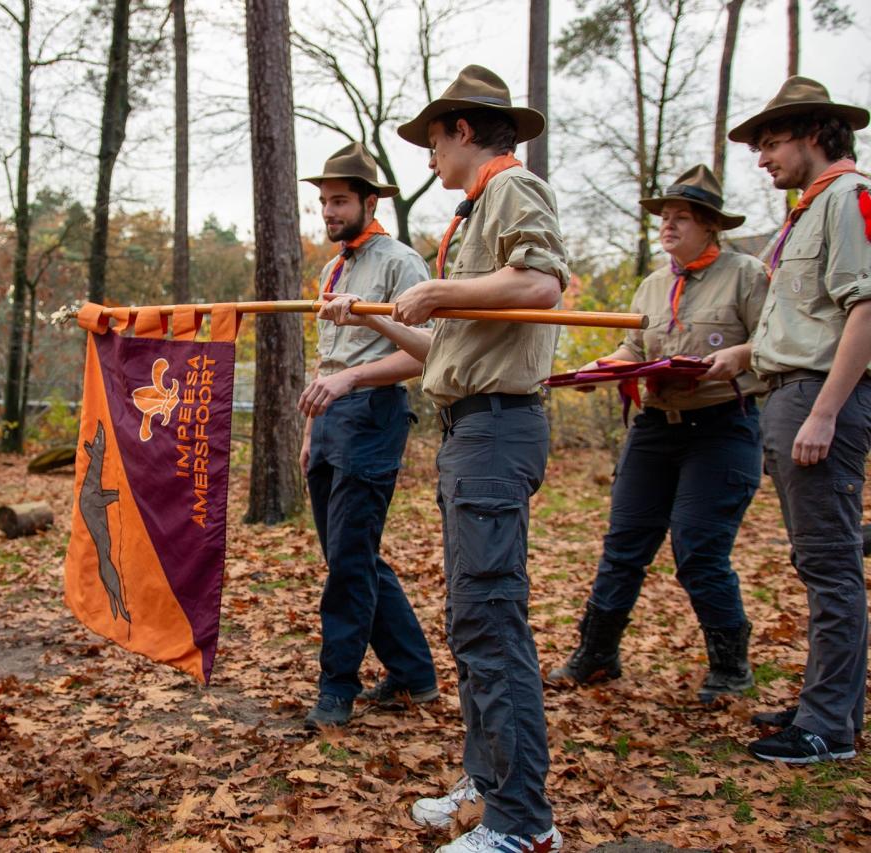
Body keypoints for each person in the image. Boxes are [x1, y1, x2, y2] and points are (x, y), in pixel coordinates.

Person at [322, 65, 566, 853]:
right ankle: (486, 777)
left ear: (463, 130)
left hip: (499, 430)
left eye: (432, 139)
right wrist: (386, 318)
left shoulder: (512, 189)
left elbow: (542, 285)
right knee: (469, 618)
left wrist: (441, 290)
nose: (428, 156)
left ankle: (523, 822)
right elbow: (442, 351)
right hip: (468, 425)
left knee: (492, 620)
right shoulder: (475, 210)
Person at [548, 165, 768, 704]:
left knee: (698, 547)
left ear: (710, 225)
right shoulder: (652, 284)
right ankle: (597, 653)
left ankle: (730, 666)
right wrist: (604, 369)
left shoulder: (747, 275)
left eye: (681, 218)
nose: (667, 226)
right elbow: (635, 350)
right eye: (664, 217)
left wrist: (737, 355)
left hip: (722, 427)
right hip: (654, 427)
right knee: (624, 543)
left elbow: (775, 345)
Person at [726, 77, 871, 764]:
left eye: (773, 142)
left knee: (832, 564)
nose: (763, 159)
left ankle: (829, 726)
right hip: (788, 392)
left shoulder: (848, 198)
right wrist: (738, 354)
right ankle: (825, 698)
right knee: (815, 561)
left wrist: (824, 411)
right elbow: (805, 322)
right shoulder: (804, 214)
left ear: (816, 135)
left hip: (820, 401)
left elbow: (866, 311)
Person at [295, 142, 439, 730]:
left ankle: (337, 688)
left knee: (350, 564)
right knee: (350, 557)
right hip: (329, 421)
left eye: (339, 201)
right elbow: (332, 359)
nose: (329, 212)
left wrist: (367, 330)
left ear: (369, 201)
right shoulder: (334, 267)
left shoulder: (401, 263)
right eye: (324, 202)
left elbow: (430, 355)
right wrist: (311, 431)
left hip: (375, 415)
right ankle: (414, 672)